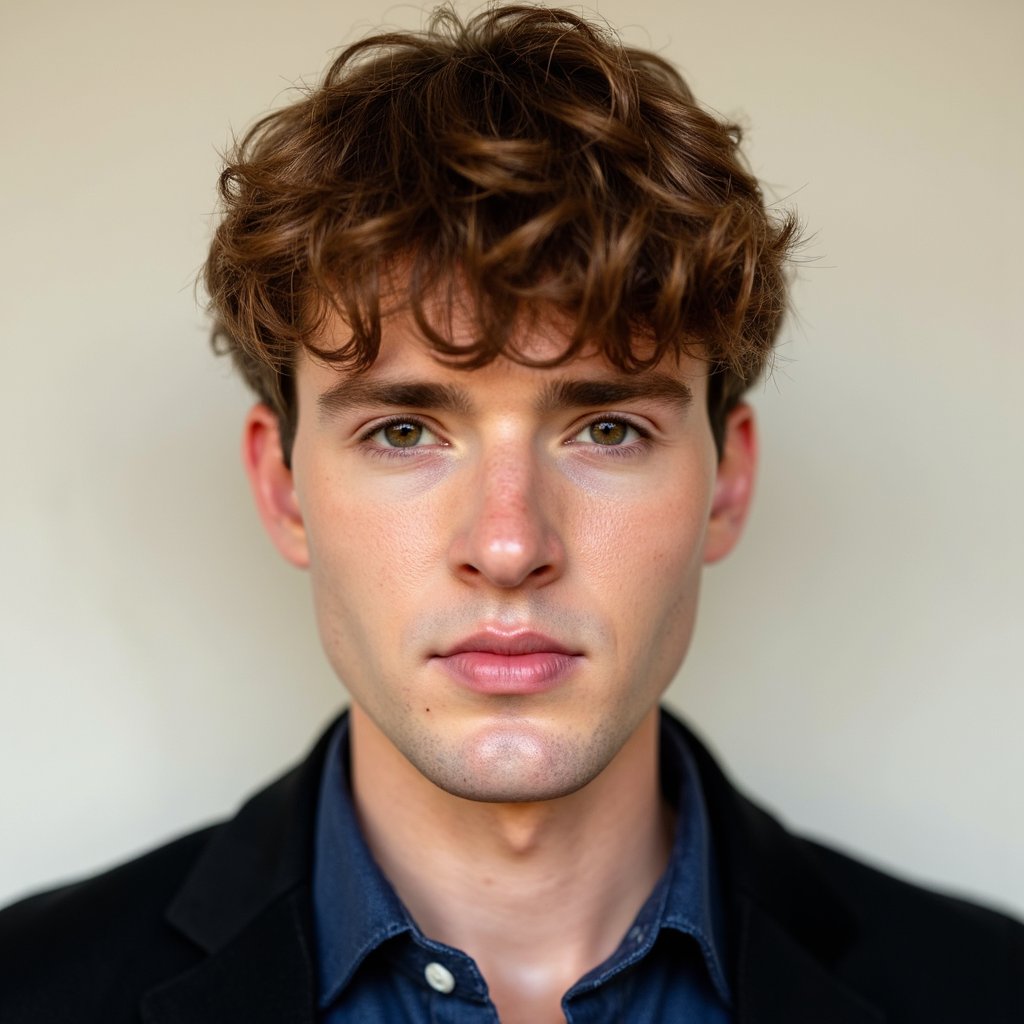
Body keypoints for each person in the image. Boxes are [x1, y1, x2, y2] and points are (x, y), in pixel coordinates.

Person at [1, 5, 1020, 1022]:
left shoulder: (985, 990)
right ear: (282, 490)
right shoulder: (32, 989)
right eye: (403, 432)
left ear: (727, 482)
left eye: (608, 430)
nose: (507, 545)